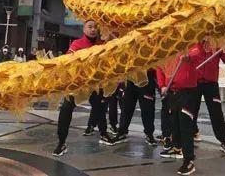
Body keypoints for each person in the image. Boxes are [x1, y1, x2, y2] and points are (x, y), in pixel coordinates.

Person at [52, 20, 115, 157]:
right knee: (66, 109)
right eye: (90, 27)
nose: (93, 29)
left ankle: (104, 134)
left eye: (95, 27)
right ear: (84, 29)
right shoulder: (77, 44)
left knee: (99, 109)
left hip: (95, 85)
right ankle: (61, 143)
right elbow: (68, 60)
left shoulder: (102, 45)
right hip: (78, 85)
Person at [157, 49, 201, 176]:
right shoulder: (166, 46)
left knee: (185, 126)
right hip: (172, 91)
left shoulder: (190, 41)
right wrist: (162, 85)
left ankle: (189, 160)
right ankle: (177, 148)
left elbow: (198, 52)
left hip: (187, 92)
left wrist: (188, 55)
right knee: (174, 123)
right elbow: (160, 66)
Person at [192, 41, 225, 154]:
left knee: (216, 112)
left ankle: (223, 140)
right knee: (191, 111)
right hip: (194, 82)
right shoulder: (193, 41)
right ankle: (188, 137)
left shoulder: (216, 42)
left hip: (211, 83)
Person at [112, 69, 157, 146]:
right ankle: (122, 131)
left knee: (148, 109)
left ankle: (149, 133)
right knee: (126, 107)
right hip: (130, 78)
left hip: (146, 78)